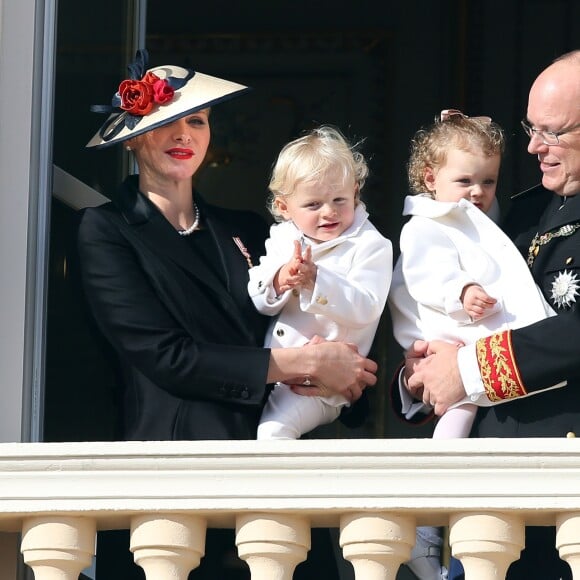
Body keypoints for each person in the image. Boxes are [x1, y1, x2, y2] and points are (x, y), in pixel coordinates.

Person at [78, 49, 378, 580]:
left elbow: (314, 321)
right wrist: (303, 364)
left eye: (196, 119)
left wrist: (348, 377)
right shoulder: (107, 230)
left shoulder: (249, 229)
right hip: (175, 486)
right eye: (165, 120)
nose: (183, 133)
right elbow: (166, 357)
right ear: (132, 137)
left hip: (278, 483)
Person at [394, 50, 580, 580]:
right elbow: (428, 289)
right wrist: (420, 372)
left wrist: (466, 370)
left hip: (565, 491)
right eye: (530, 128)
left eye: (552, 131)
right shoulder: (509, 213)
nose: (533, 147)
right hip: (483, 505)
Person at [248, 125, 392, 440]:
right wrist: (279, 279)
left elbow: (366, 307)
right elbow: (258, 295)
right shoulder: (284, 237)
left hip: (324, 386)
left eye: (340, 199)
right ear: (284, 207)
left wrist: (316, 281)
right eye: (313, 205)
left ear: (355, 191)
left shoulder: (371, 244)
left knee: (273, 433)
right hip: (275, 368)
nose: (329, 212)